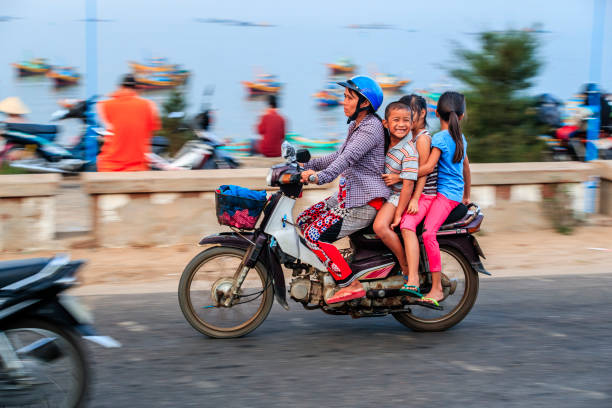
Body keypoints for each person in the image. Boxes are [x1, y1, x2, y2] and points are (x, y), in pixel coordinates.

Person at [298, 75, 389, 303]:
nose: (344, 102)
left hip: (364, 201)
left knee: (314, 235)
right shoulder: (358, 126)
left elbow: (345, 160)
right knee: (303, 220)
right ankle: (329, 269)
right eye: (345, 97)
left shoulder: (370, 129)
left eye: (349, 98)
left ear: (364, 103)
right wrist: (305, 165)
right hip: (347, 196)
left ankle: (350, 284)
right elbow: (337, 155)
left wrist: (319, 177)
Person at [399, 91, 471, 307]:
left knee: (429, 233)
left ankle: (437, 288)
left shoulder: (438, 138)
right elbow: (466, 168)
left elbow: (429, 167)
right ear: (462, 116)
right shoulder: (461, 138)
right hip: (454, 195)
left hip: (444, 196)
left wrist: (400, 174)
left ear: (435, 113)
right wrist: (466, 195)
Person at [372, 101, 418, 282]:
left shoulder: (409, 151)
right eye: (396, 120)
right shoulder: (383, 143)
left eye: (406, 120)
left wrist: (398, 214)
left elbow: (408, 185)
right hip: (384, 192)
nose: (401, 124)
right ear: (386, 123)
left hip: (397, 196)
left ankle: (405, 264)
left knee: (380, 226)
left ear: (412, 123)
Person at [96, 74, 160, 172]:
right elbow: (151, 130)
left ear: (120, 87)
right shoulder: (148, 105)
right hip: (138, 167)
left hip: (109, 167)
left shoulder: (104, 105)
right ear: (137, 88)